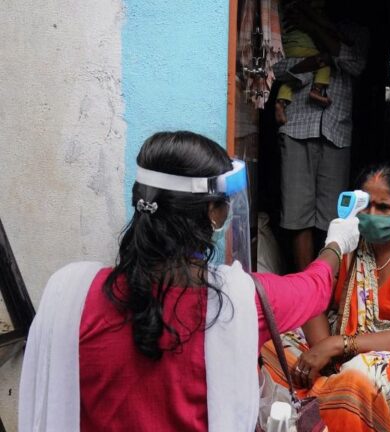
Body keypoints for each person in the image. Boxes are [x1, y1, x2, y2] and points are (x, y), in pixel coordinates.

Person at [18, 131, 360, 432]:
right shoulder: (242, 302)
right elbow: (315, 288)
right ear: (213, 212)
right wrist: (337, 242)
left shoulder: (71, 293)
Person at [262, 164, 390, 432]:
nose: (371, 214)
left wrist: (335, 346)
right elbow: (314, 297)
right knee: (271, 345)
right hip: (340, 348)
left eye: (384, 207)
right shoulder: (351, 241)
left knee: (357, 377)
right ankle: (328, 397)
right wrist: (321, 352)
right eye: (366, 205)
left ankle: (334, 403)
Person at [271, 0, 369, 271]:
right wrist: (313, 61)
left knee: (333, 218)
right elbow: (276, 69)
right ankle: (306, 286)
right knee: (296, 215)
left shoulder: (354, 31)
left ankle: (326, 288)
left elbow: (355, 63)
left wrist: (313, 26)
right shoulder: (288, 26)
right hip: (295, 127)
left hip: (336, 131)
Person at [274, 0, 337, 125]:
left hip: (288, 49)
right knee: (326, 62)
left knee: (299, 78)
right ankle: (316, 90)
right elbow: (321, 22)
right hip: (304, 49)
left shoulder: (284, 9)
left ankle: (280, 103)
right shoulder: (303, 7)